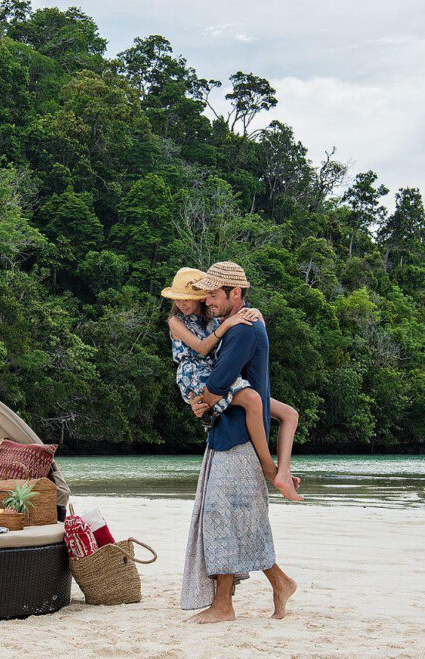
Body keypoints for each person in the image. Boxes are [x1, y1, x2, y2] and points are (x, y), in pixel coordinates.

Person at [180, 261, 297, 623]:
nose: (208, 301)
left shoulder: (243, 330)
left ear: (235, 293)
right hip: (231, 434)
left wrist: (200, 402)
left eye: (214, 295)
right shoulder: (240, 323)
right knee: (233, 519)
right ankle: (278, 582)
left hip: (239, 438)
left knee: (221, 516)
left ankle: (224, 605)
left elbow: (219, 381)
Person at [162, 267, 302, 501]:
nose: (182, 303)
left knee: (289, 414)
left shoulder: (213, 316)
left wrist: (253, 311)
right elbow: (202, 348)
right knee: (252, 399)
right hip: (193, 374)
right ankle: (270, 469)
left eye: (188, 298)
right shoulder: (176, 321)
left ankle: (284, 472)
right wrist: (229, 324)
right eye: (177, 298)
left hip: (211, 371)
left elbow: (251, 320)